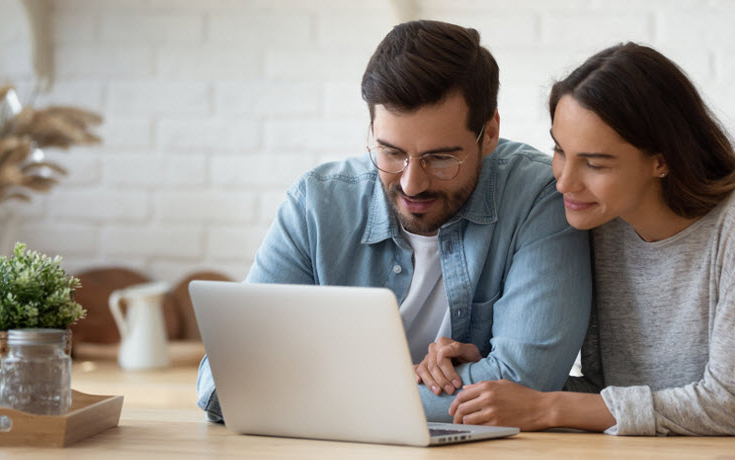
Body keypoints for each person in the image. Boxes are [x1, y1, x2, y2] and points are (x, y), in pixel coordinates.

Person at [447, 42, 735, 440]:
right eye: (559, 150)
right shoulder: (602, 223)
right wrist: (496, 384)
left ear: (661, 160)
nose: (564, 181)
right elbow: (617, 400)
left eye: (594, 163)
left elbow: (731, 405)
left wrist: (547, 407)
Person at [196, 20, 592, 423]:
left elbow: (525, 383)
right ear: (371, 130)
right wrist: (409, 385)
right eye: (390, 152)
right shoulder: (316, 204)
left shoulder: (538, 197)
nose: (412, 183)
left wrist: (314, 392)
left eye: (440, 158)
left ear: (488, 134)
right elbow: (223, 381)